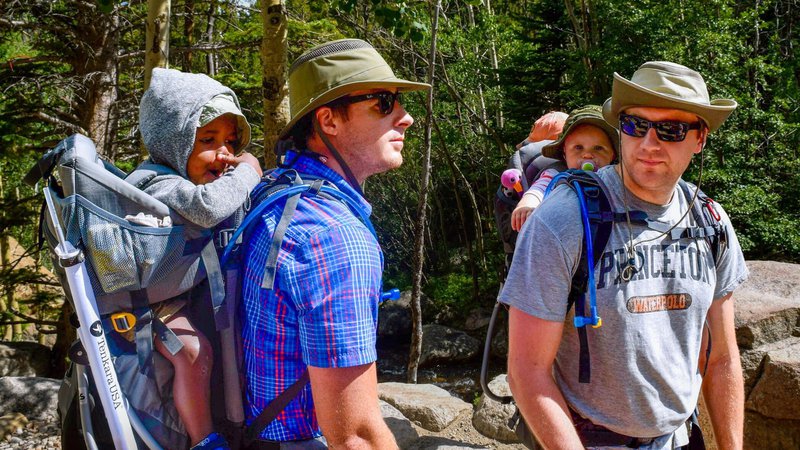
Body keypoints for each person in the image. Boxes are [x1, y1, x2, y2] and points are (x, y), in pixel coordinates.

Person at [500, 61, 748, 449]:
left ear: (699, 138)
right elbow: (526, 371)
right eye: (635, 125)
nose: (650, 143)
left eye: (671, 129)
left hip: (680, 438)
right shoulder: (562, 220)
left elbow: (721, 360)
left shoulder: (712, 221)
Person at [239, 39, 430, 449]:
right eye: (383, 102)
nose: (406, 117)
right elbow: (355, 435)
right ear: (328, 121)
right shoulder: (335, 238)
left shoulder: (277, 189)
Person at [137, 67, 263, 450]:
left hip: (171, 296)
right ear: (171, 141)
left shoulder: (181, 179)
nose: (224, 154)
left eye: (230, 141)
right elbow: (207, 208)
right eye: (208, 140)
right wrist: (249, 173)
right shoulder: (155, 182)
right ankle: (204, 440)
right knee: (193, 352)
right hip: (143, 306)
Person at [510, 105, 617, 232]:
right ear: (564, 152)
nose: (587, 155)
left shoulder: (617, 177)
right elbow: (538, 189)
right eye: (578, 147)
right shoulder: (556, 175)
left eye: (598, 148)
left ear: (612, 154)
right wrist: (528, 204)